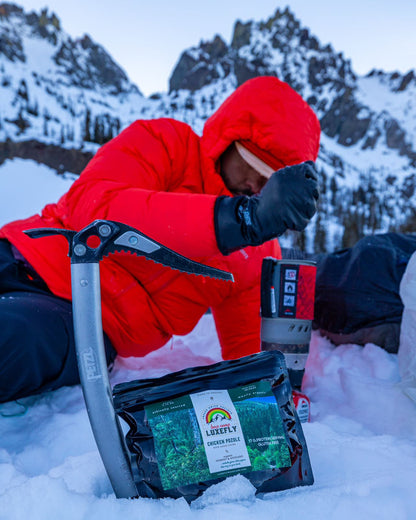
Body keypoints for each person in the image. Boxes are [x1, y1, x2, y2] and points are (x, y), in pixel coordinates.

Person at [0, 76, 320, 403]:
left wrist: (277, 394)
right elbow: (93, 210)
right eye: (252, 166)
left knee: (12, 340)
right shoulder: (166, 143)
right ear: (228, 139)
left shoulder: (258, 250)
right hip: (20, 253)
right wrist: (234, 219)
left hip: (80, 320)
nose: (257, 187)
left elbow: (250, 350)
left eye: (272, 184)